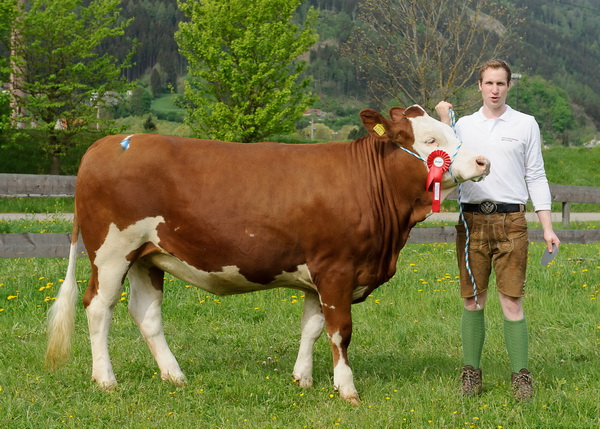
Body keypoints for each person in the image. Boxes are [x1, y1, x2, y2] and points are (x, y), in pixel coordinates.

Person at [436, 60, 560, 401]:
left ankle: (521, 377)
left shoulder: (525, 124)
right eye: (488, 83)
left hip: (512, 223)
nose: (494, 89)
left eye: (500, 84)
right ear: (479, 86)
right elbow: (446, 162)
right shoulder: (464, 126)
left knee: (512, 302)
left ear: (508, 86)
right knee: (473, 301)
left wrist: (547, 227)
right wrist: (446, 121)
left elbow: (536, 175)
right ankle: (471, 375)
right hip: (471, 222)